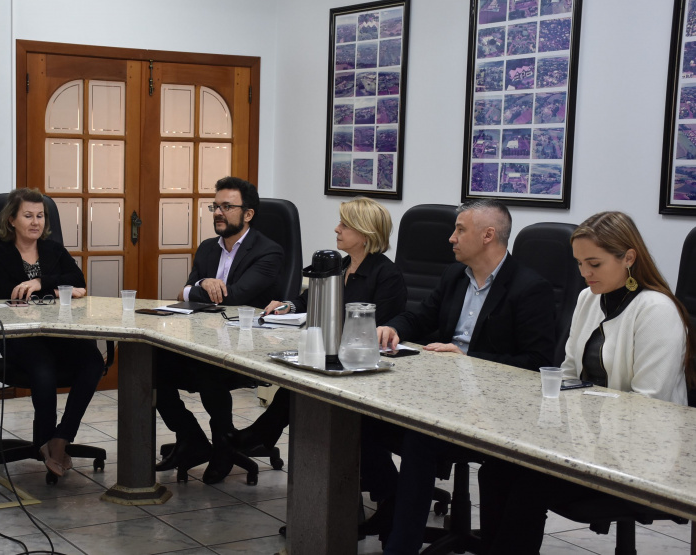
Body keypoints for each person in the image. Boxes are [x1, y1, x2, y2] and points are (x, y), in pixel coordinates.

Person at [478, 211, 695, 554]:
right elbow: (569, 372)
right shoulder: (588, 298)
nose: (584, 273)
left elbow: (646, 404)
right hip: (587, 441)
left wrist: (579, 415)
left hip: (640, 452)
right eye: (579, 263)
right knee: (495, 470)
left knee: (528, 485)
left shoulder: (656, 309)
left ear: (628, 258)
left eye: (594, 263)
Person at [373, 199, 556, 554]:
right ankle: (391, 510)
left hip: (495, 408)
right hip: (444, 393)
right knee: (366, 418)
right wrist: (393, 327)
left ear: (488, 235)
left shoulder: (529, 287)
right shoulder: (455, 276)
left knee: (419, 437)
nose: (451, 238)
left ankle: (401, 546)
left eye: (460, 230)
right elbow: (421, 318)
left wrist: (469, 359)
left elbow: (536, 363)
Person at [227, 196, 407, 490]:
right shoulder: (342, 266)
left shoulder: (387, 275)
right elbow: (306, 299)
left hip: (364, 371)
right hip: (333, 356)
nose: (337, 229)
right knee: (299, 381)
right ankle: (264, 437)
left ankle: (262, 436)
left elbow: (378, 328)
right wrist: (287, 306)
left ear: (365, 233)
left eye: (345, 225)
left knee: (304, 387)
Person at [155, 176, 283, 484]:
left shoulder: (268, 252)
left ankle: (224, 443)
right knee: (151, 362)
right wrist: (202, 283)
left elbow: (235, 296)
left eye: (227, 207)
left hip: (247, 346)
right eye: (215, 206)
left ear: (248, 214)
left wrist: (197, 289)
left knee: (207, 367)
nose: (218, 213)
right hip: (205, 336)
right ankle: (190, 437)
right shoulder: (207, 249)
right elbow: (184, 293)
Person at [0, 187, 105, 477]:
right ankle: (43, 440)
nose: (35, 222)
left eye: (40, 216)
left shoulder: (53, 250)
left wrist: (40, 283)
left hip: (57, 332)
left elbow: (78, 280)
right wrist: (58, 289)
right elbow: (6, 294)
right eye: (28, 216)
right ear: (11, 219)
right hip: (20, 337)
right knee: (43, 367)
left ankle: (61, 438)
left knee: (93, 360)